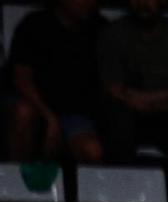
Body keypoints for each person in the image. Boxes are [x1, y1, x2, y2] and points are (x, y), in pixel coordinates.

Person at [97, 0, 168, 172]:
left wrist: (152, 99)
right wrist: (139, 101)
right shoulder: (113, 34)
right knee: (116, 117)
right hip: (127, 112)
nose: (143, 3)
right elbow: (111, 86)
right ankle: (119, 186)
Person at [6, 0, 105, 166]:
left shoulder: (101, 29)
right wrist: (50, 118)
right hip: (36, 106)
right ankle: (13, 184)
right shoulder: (34, 25)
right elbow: (22, 79)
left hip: (73, 115)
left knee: (92, 151)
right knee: (24, 114)